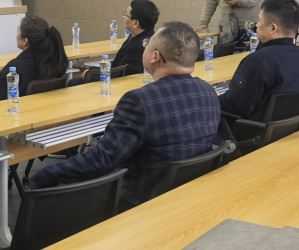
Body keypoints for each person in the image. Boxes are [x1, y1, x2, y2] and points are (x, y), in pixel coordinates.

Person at [28, 22, 221, 209]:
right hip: (186, 196)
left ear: (155, 56)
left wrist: (44, 176)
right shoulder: (208, 91)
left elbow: (101, 161)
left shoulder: (140, 101)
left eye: (147, 44)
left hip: (141, 203)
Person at [219, 0, 299, 124]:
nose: (256, 25)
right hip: (286, 130)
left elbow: (234, 106)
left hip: (250, 131)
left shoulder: (260, 60)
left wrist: (210, 96)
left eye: (259, 21)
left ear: (273, 28)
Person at [68, 0, 159, 87]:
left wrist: (93, 72)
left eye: (126, 14)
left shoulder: (139, 47)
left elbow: (121, 74)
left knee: (72, 83)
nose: (124, 17)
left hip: (120, 85)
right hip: (119, 80)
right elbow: (118, 65)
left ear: (135, 23)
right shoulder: (145, 36)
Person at [0, 15, 68, 103]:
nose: (16, 35)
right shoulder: (55, 61)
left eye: (18, 30)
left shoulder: (15, 68)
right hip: (42, 108)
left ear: (25, 41)